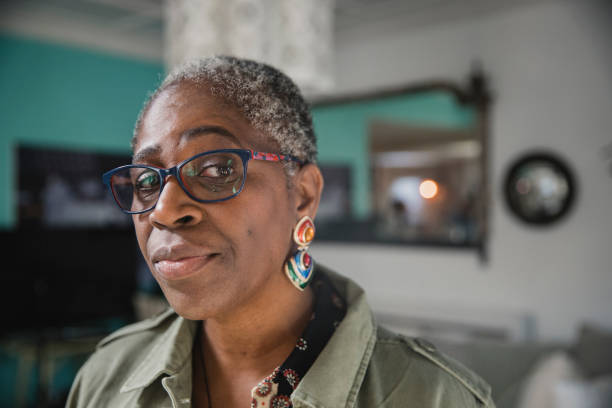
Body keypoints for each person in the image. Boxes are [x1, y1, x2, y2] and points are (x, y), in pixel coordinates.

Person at [67, 56, 494, 408]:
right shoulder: (107, 379)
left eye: (216, 168)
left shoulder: (433, 397)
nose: (164, 209)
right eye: (146, 182)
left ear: (303, 195)